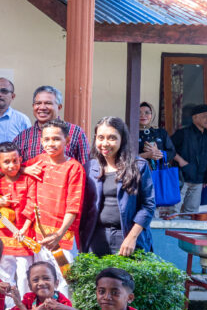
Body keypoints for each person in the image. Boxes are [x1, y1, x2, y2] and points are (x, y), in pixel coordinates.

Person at [86, 117, 155, 256]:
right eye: (100, 138)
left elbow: (148, 205)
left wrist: (131, 237)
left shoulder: (138, 166)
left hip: (127, 237)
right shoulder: (89, 167)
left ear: (122, 139)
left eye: (112, 138)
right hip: (97, 237)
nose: (105, 143)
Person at [0, 141, 37, 296]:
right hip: (1, 240)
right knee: (3, 276)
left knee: (25, 276)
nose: (11, 166)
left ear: (20, 159)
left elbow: (32, 205)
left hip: (24, 238)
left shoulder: (28, 180)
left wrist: (24, 229)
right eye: (6, 162)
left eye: (15, 161)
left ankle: (25, 309)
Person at [27, 119, 86, 274]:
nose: (50, 143)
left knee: (64, 280)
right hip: (38, 236)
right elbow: (15, 169)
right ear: (41, 141)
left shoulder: (74, 168)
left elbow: (73, 207)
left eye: (56, 139)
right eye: (46, 139)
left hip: (62, 237)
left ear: (66, 140)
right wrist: (24, 171)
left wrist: (59, 234)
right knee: (40, 279)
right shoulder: (38, 161)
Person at [15, 85, 90, 166]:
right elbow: (14, 168)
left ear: (59, 107)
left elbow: (85, 166)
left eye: (48, 103)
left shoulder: (75, 132)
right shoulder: (22, 137)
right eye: (38, 103)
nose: (42, 107)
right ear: (33, 106)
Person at [172, 104, 207, 213]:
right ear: (195, 117)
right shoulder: (183, 133)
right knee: (173, 211)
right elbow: (168, 149)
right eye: (205, 116)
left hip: (199, 180)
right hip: (182, 178)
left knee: (191, 213)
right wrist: (181, 161)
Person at [137, 102, 175, 171]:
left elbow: (172, 153)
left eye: (147, 112)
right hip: (137, 173)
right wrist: (146, 155)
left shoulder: (161, 132)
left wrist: (158, 152)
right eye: (139, 112)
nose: (142, 115)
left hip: (158, 174)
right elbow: (125, 156)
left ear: (152, 114)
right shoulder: (131, 132)